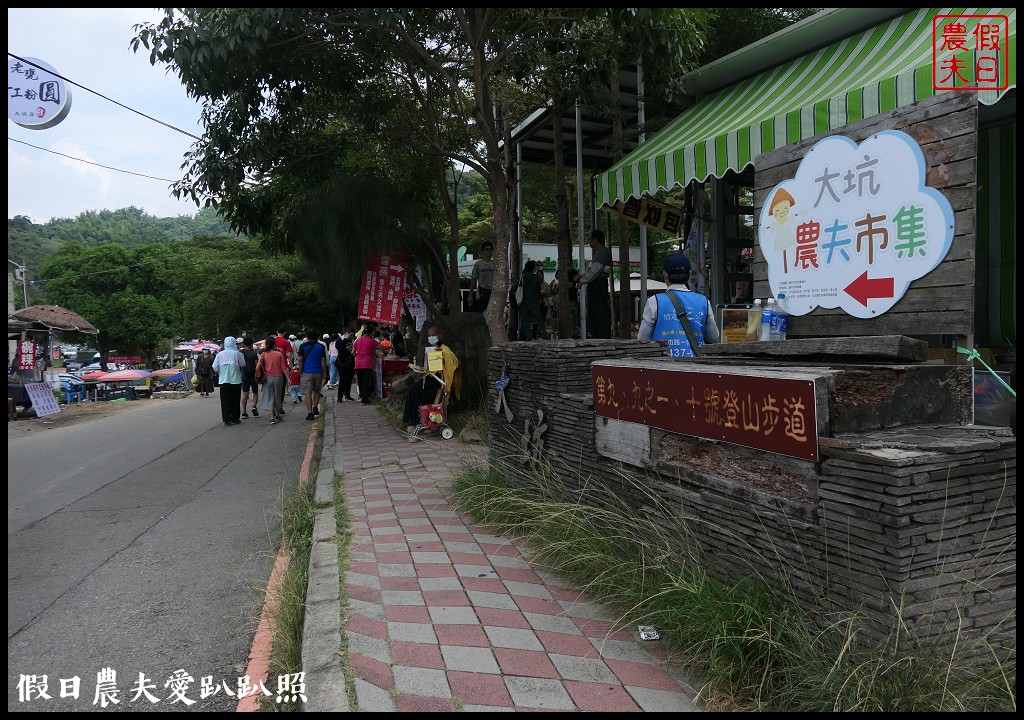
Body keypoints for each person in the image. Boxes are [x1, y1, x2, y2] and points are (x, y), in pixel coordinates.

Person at [637, 252, 721, 357]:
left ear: (665, 274)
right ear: (689, 275)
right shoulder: (704, 301)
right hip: (696, 366)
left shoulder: (655, 301)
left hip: (663, 366)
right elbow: (713, 337)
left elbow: (642, 338)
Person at [403, 325, 462, 433]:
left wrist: (441, 355)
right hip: (431, 378)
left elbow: (451, 366)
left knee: (417, 391)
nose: (431, 337)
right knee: (412, 388)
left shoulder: (445, 350)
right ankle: (411, 420)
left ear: (439, 336)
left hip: (440, 382)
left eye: (433, 335)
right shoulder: (431, 349)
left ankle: (418, 421)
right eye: (429, 336)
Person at [576, 229, 612, 338]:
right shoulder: (598, 254)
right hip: (594, 286)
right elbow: (590, 270)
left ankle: (602, 337)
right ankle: (596, 336)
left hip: (599, 286)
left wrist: (581, 281)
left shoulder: (604, 253)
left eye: (590, 239)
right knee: (593, 313)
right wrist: (581, 276)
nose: (589, 242)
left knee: (599, 312)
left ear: (595, 240)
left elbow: (595, 271)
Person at [212, 336, 246, 425]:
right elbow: (243, 364)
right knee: (235, 400)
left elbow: (214, 367)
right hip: (235, 381)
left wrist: (221, 371)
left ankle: (227, 419)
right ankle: (235, 418)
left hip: (223, 381)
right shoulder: (237, 354)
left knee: (225, 401)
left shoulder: (220, 354)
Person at [256, 335, 290, 424]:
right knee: (277, 396)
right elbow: (283, 368)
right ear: (274, 345)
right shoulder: (279, 354)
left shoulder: (264, 354)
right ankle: (278, 415)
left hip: (268, 378)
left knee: (270, 396)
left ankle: (271, 417)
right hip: (278, 377)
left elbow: (258, 366)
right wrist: (288, 378)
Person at [298, 330, 329, 420]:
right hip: (318, 371)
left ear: (307, 338)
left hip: (307, 372)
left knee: (308, 393)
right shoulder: (320, 346)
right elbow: (323, 360)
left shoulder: (303, 346)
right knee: (317, 390)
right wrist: (324, 372)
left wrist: (300, 371)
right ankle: (315, 406)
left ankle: (310, 412)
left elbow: (300, 359)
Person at [519, 260, 548, 340]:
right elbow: (538, 290)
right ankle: (544, 335)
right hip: (534, 301)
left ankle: (528, 337)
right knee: (539, 319)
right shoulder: (537, 278)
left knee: (526, 321)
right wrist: (538, 299)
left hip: (524, 301)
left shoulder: (523, 278)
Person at [353, 325, 379, 404]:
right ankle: (364, 399)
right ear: (371, 332)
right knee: (366, 381)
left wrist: (357, 357)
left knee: (360, 381)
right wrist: (390, 347)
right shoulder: (371, 340)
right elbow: (380, 347)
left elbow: (353, 352)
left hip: (358, 364)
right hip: (367, 363)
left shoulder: (358, 340)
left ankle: (362, 396)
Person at [273, 328, 295, 412]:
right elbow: (289, 355)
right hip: (282, 367)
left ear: (277, 332)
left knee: (272, 389)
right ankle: (280, 406)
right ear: (284, 333)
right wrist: (290, 366)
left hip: (271, 367)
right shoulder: (286, 342)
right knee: (281, 388)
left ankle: (273, 407)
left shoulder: (272, 340)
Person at [470, 241, 495, 312]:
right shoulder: (478, 264)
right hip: (481, 293)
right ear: (483, 251)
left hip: (493, 293)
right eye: (486, 249)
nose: (488, 251)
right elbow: (473, 280)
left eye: (490, 249)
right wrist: (470, 295)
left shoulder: (495, 264)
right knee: (481, 315)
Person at [239, 336, 260, 418]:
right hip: (253, 374)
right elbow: (257, 365)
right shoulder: (254, 354)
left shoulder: (241, 353)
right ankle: (254, 406)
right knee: (255, 391)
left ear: (244, 344)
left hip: (244, 374)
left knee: (245, 393)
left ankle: (244, 412)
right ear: (252, 344)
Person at [334, 327, 356, 402]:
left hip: (351, 362)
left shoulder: (353, 341)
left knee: (349, 379)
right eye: (350, 335)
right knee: (343, 379)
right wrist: (346, 339)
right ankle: (339, 397)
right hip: (342, 363)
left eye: (353, 335)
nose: (351, 337)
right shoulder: (340, 340)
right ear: (346, 333)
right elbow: (339, 347)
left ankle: (347, 395)